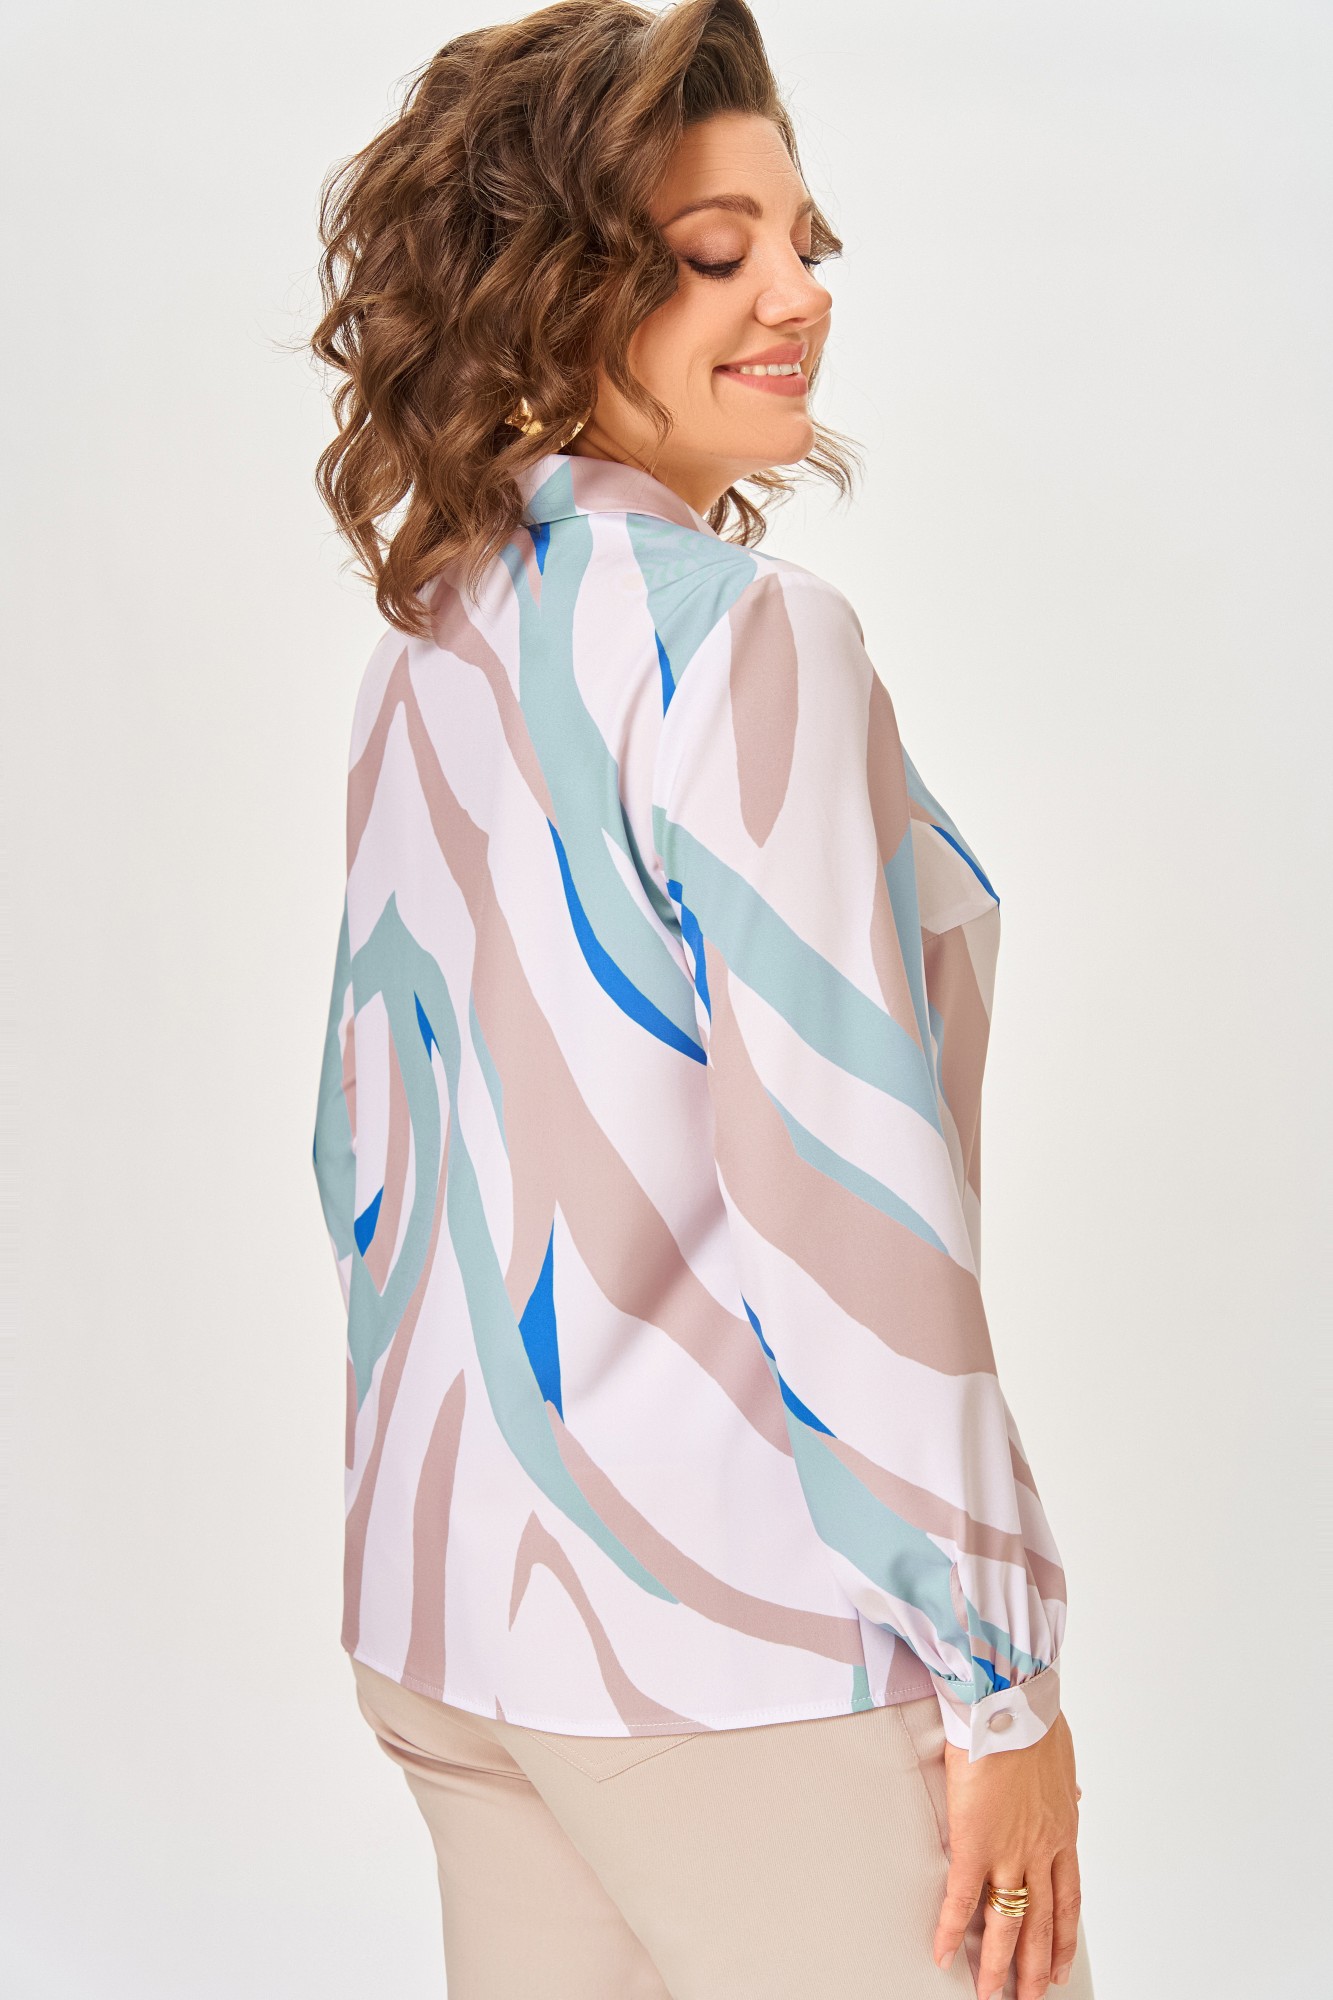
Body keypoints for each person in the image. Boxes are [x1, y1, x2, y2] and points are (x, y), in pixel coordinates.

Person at [307, 3, 1093, 1995]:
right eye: (714, 251)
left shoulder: (435, 636)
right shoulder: (752, 644)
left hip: (452, 1624)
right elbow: (840, 1202)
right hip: (734, 1647)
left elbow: (360, 1153)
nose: (796, 295)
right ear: (551, 285)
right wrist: (998, 1685)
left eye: (803, 242)